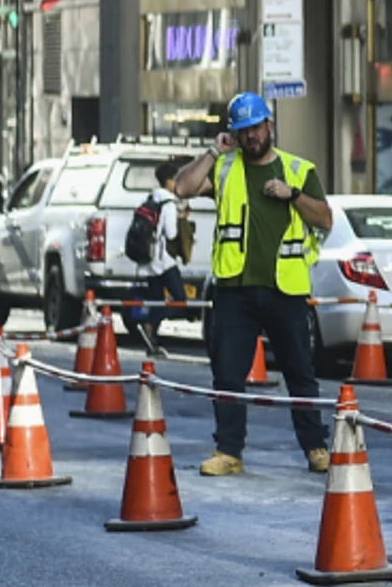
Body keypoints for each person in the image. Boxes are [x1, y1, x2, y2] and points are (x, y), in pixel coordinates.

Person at [169, 93, 335, 476]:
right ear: (235, 134)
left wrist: (291, 195)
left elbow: (325, 219)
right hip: (234, 288)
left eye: (256, 128)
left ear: (269, 126)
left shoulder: (298, 169)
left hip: (286, 289)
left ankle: (315, 447)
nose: (251, 137)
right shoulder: (225, 168)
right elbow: (183, 188)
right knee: (227, 373)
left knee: (299, 372)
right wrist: (213, 150)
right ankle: (229, 451)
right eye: (243, 131)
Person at [126, 157, 190, 355]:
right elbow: (171, 233)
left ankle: (151, 340)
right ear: (170, 181)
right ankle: (150, 325)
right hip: (164, 262)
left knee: (156, 301)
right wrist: (183, 221)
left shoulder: (150, 199)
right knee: (179, 299)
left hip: (148, 260)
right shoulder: (169, 203)